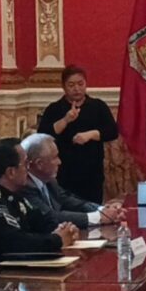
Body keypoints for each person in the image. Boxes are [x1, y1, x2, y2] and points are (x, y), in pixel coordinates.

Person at [0, 138, 78, 283]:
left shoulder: (11, 192)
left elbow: (39, 219)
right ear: (11, 172)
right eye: (25, 164)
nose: (28, 169)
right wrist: (56, 240)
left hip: (9, 275)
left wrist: (63, 230)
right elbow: (15, 243)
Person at [38, 65, 118, 203]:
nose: (77, 89)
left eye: (80, 84)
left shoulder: (98, 106)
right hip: (64, 173)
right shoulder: (54, 109)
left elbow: (112, 131)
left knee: (92, 209)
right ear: (63, 87)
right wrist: (65, 120)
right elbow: (43, 136)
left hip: (92, 173)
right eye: (71, 85)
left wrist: (90, 135)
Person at [20, 133, 126, 229]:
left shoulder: (49, 181)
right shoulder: (24, 186)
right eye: (55, 157)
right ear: (39, 163)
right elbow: (51, 216)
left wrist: (103, 210)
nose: (59, 162)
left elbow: (69, 201)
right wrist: (98, 217)